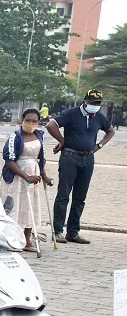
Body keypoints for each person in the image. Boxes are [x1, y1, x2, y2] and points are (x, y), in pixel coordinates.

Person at [46, 89, 116, 244]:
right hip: (70, 157)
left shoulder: (98, 116)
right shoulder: (72, 113)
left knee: (80, 197)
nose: (95, 105)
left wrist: (99, 145)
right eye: (92, 102)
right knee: (63, 195)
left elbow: (110, 131)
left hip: (88, 158)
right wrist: (62, 141)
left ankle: (73, 232)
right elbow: (51, 126)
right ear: (85, 100)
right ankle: (57, 231)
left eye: (97, 103)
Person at [1, 109, 53, 252]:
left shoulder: (39, 136)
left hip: (34, 172)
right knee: (15, 206)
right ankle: (11, 240)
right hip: (17, 175)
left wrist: (44, 176)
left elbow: (41, 159)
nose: (30, 124)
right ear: (22, 121)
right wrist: (25, 176)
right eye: (28, 121)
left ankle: (27, 240)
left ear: (38, 123)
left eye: (34, 121)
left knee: (30, 207)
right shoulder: (15, 137)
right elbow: (9, 161)